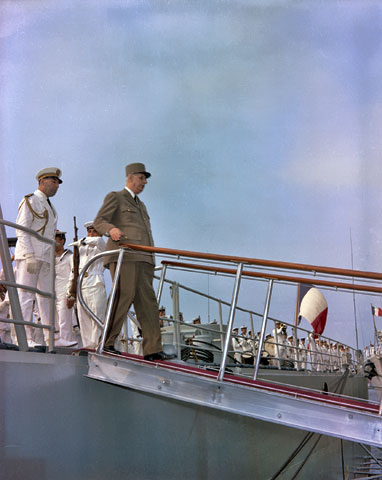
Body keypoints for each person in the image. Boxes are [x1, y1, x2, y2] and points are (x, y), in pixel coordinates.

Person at [93, 163, 175, 361]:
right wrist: (111, 230)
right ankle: (107, 342)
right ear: (130, 177)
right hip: (125, 256)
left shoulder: (141, 205)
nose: (144, 182)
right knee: (123, 296)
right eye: (141, 178)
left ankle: (152, 349)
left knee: (148, 303)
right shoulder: (116, 196)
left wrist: (150, 258)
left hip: (143, 259)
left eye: (145, 179)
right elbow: (99, 221)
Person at [14, 167, 62, 347]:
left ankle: (51, 339)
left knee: (46, 297)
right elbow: (22, 229)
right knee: (25, 296)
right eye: (54, 181)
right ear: (42, 182)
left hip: (45, 257)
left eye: (58, 183)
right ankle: (23, 338)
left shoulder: (50, 205)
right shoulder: (30, 201)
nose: (57, 186)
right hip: (30, 256)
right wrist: (29, 255)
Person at [67, 221, 107, 349]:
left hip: (95, 282)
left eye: (94, 231)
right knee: (83, 317)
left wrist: (83, 240)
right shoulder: (82, 247)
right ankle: (87, 345)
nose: (91, 234)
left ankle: (96, 344)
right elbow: (75, 267)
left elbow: (98, 241)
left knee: (96, 314)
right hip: (82, 284)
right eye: (89, 231)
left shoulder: (101, 245)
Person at [54, 230, 78, 347]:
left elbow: (74, 275)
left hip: (64, 292)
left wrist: (70, 294)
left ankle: (67, 345)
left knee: (65, 321)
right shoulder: (48, 258)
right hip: (51, 293)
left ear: (62, 241)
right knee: (52, 322)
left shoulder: (70, 257)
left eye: (55, 239)